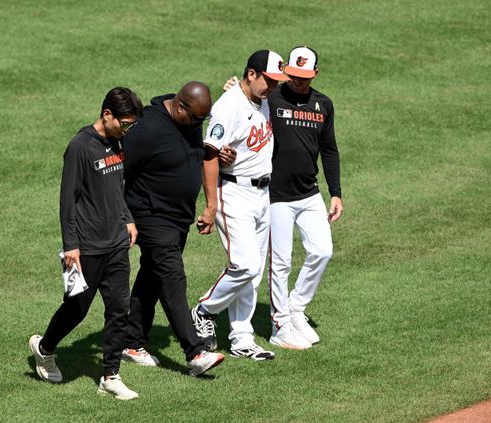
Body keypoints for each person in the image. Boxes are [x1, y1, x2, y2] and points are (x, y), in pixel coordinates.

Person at [223, 45, 343, 350]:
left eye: (304, 76)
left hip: (310, 192)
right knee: (280, 263)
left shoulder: (323, 104)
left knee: (323, 251)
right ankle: (280, 325)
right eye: (293, 74)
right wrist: (234, 90)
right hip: (275, 195)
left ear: (315, 74)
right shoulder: (271, 98)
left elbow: (329, 149)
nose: (297, 81)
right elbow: (245, 102)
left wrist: (336, 193)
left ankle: (295, 307)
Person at [28, 87, 143, 400]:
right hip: (87, 247)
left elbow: (117, 186)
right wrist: (71, 246)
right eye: (125, 123)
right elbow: (67, 200)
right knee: (76, 309)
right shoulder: (79, 147)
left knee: (119, 308)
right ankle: (44, 348)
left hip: (116, 242)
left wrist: (127, 217)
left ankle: (110, 375)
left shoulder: (117, 140)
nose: (127, 129)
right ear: (107, 114)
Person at [121, 81, 225, 377]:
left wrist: (210, 205)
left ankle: (131, 341)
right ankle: (195, 352)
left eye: (202, 120)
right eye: (196, 119)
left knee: (152, 277)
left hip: (178, 218)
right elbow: (118, 172)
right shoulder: (146, 130)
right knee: (172, 278)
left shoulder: (189, 121)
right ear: (180, 107)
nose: (198, 126)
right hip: (151, 216)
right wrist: (123, 216)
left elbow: (198, 158)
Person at [191, 50, 289, 361]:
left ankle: (242, 338)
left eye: (276, 82)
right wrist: (210, 207)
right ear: (251, 74)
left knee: (253, 271)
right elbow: (209, 155)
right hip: (234, 194)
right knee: (245, 264)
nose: (273, 87)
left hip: (262, 194)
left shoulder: (261, 99)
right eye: (269, 81)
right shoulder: (228, 107)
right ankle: (204, 311)